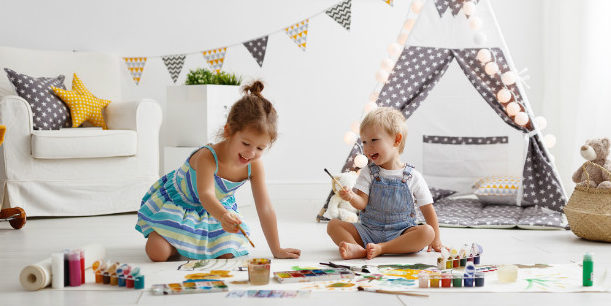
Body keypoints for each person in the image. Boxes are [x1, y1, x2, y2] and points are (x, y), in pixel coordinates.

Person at [136, 80, 300, 262]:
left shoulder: (254, 165)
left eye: (260, 148)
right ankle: (174, 242)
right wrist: (223, 216)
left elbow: (265, 207)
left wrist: (276, 249)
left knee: (228, 254)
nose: (251, 153)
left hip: (216, 213)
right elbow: (206, 195)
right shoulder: (207, 157)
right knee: (157, 254)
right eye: (246, 143)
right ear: (229, 131)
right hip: (182, 205)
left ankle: (188, 242)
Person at [327, 107, 444, 260]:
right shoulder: (368, 172)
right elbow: (361, 203)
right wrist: (351, 197)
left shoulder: (413, 177)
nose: (368, 147)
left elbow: (428, 209)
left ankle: (382, 248)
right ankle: (357, 249)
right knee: (333, 225)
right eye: (364, 142)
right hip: (368, 231)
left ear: (396, 140)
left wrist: (435, 240)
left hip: (401, 234)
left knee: (427, 232)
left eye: (374, 140)